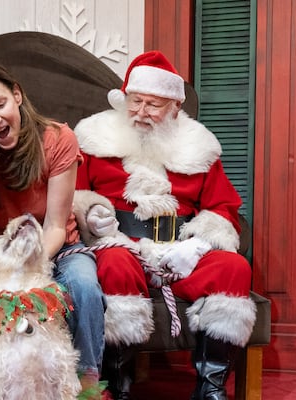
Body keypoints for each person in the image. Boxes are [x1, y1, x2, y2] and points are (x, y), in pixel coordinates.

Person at [72, 51, 257, 400]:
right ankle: (116, 386)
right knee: (113, 265)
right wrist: (91, 214)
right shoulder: (94, 139)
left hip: (181, 250)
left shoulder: (199, 147)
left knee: (234, 268)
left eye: (153, 104)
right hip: (120, 243)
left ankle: (210, 389)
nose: (141, 112)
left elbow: (223, 207)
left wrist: (197, 246)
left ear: (174, 108)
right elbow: (74, 195)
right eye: (135, 101)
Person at [0, 60, 106, 400]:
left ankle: (86, 390)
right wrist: (8, 270)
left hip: (58, 247)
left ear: (17, 96)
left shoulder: (58, 139)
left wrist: (32, 267)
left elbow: (56, 225)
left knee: (85, 287)